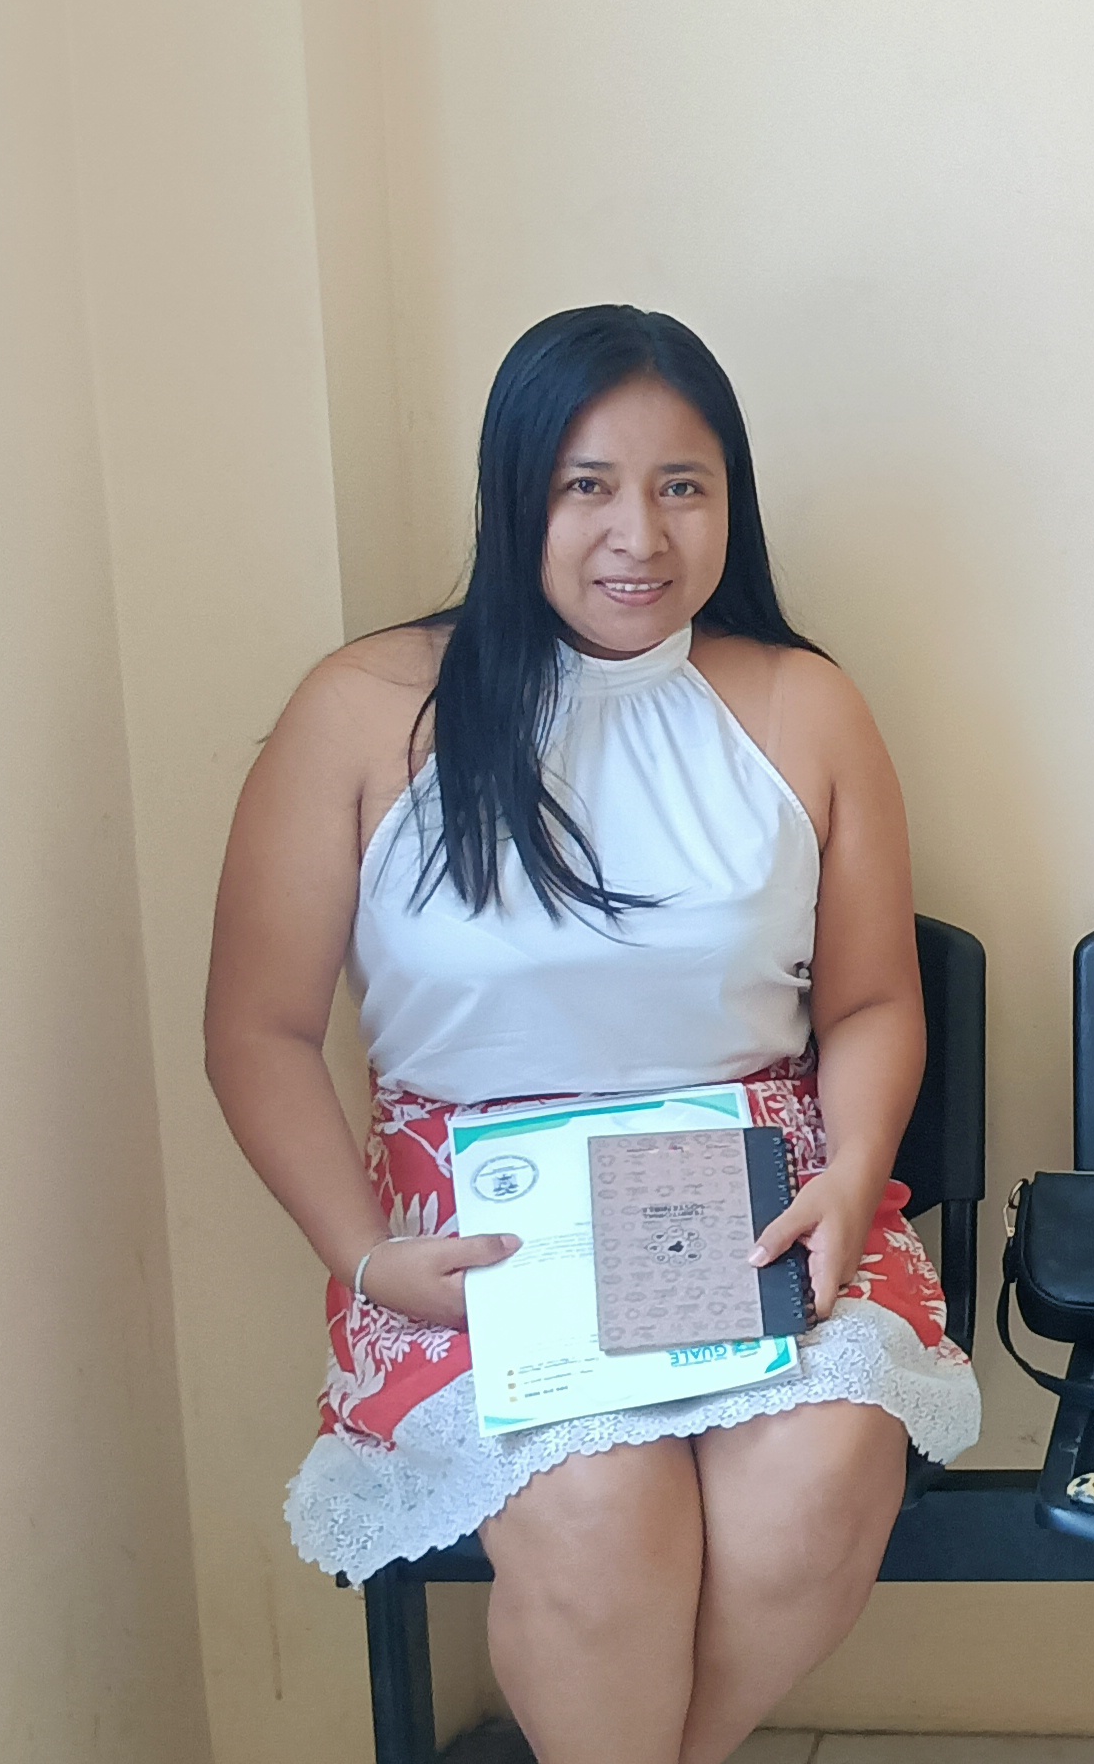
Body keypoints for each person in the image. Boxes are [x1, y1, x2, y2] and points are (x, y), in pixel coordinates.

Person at [206, 305, 976, 1764]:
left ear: (731, 501)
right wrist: (363, 1256)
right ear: (517, 495)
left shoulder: (803, 703)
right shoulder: (363, 711)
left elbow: (873, 1000)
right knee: (601, 1508)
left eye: (683, 486)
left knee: (815, 1483)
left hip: (762, 1206)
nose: (641, 535)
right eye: (587, 486)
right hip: (475, 1238)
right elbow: (258, 1029)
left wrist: (851, 1174)